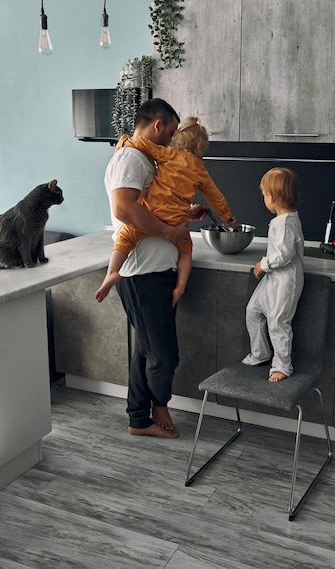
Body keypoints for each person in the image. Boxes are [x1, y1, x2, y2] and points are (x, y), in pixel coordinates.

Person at [104, 98, 205, 439]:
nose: (172, 140)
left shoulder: (140, 157)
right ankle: (158, 406)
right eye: (172, 131)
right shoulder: (131, 158)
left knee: (145, 351)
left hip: (154, 272)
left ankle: (138, 418)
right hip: (141, 273)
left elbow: (149, 205)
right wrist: (170, 231)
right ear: (158, 125)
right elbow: (123, 209)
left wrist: (183, 215)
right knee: (163, 356)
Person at [96, 116, 236, 303]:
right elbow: (215, 197)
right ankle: (180, 287)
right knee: (186, 252)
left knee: (125, 237)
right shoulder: (200, 170)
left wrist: (124, 140)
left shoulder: (167, 154)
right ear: (201, 147)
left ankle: (112, 272)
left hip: (151, 213)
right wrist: (228, 218)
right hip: (176, 222)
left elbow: (143, 145)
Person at [242, 167, 304, 382]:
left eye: (263, 194)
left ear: (272, 196)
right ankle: (261, 353)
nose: (263, 199)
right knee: (253, 310)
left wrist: (263, 265)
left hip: (286, 280)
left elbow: (283, 256)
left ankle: (282, 366)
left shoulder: (286, 223)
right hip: (274, 278)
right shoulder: (282, 220)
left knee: (278, 322)